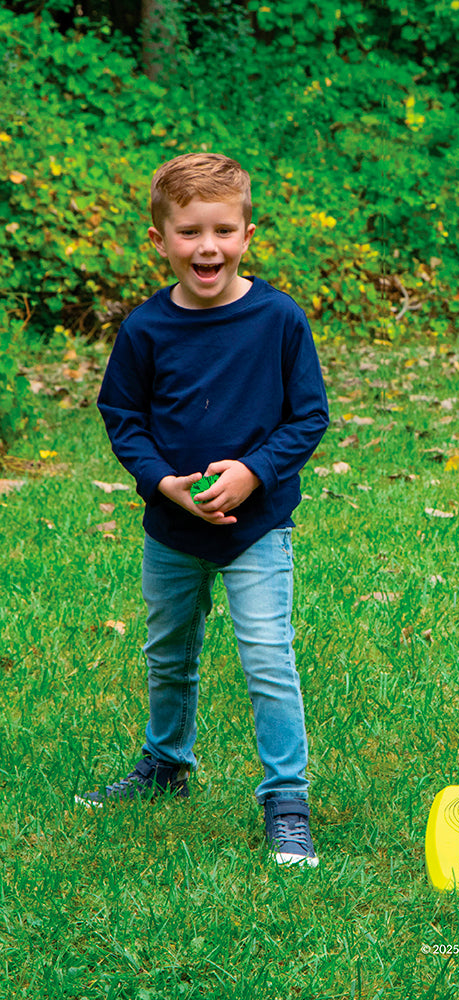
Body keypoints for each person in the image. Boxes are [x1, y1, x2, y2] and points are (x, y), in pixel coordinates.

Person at [81, 152, 330, 868]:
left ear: (249, 232)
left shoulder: (279, 319)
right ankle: (165, 766)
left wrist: (254, 472)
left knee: (267, 659)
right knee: (169, 652)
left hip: (257, 529)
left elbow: (307, 418)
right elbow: (122, 414)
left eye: (224, 229)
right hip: (172, 531)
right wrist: (162, 483)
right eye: (189, 232)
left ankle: (286, 799)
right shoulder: (145, 330)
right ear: (159, 240)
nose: (208, 246)